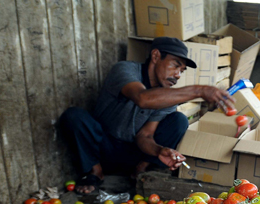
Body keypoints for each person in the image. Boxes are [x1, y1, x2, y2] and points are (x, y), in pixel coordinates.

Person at [60, 37, 235, 194]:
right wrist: (199, 90)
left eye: (182, 70)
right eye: (175, 65)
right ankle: (95, 172)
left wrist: (160, 150)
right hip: (102, 147)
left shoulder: (167, 96)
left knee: (179, 120)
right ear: (156, 56)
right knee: (75, 116)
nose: (178, 75)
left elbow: (145, 136)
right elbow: (142, 99)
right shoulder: (124, 70)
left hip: (132, 153)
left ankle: (141, 171)